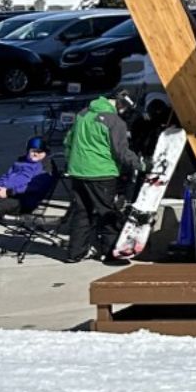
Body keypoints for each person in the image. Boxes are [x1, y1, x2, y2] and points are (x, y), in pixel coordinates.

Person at [62, 92, 140, 264]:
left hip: (78, 171)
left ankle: (75, 253)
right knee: (107, 212)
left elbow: (68, 140)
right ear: (121, 105)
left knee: (82, 212)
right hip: (101, 172)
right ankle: (111, 253)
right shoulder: (115, 121)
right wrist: (140, 165)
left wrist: (71, 162)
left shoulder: (83, 114)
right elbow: (121, 151)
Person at [0, 136, 54, 217]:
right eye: (33, 151)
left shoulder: (45, 167)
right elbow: (7, 176)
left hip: (21, 199)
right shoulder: (20, 161)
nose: (35, 154)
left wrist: (8, 192)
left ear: (45, 153)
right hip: (4, 191)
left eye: (39, 152)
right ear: (28, 151)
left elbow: (34, 187)